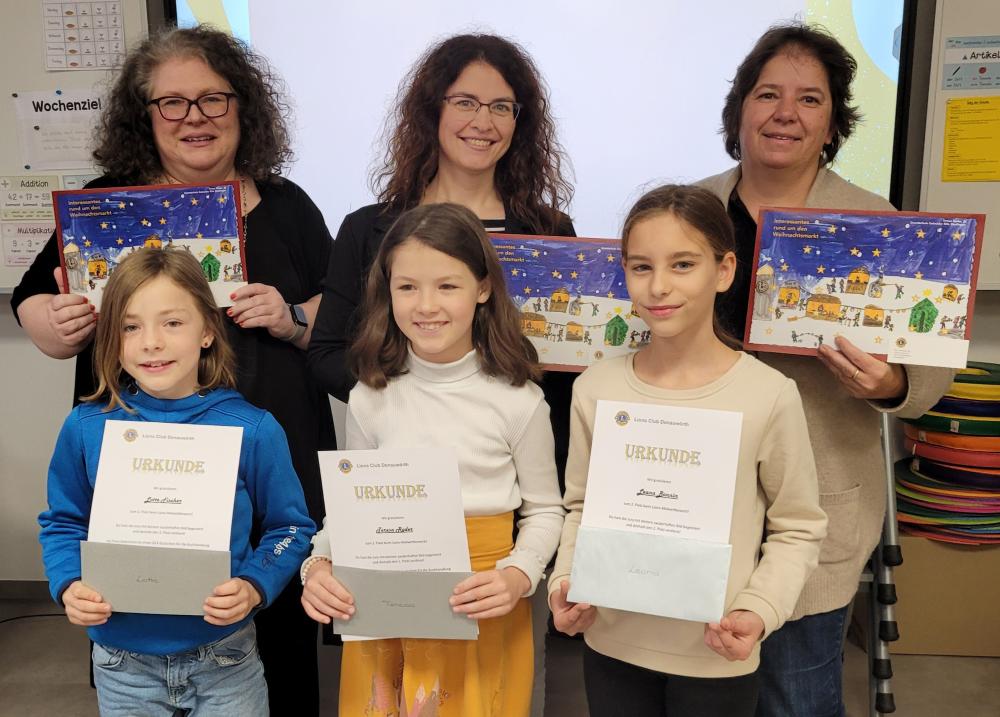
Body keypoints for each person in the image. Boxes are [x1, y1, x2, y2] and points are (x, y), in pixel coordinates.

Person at [10, 26, 334, 713]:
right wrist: (55, 321)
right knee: (140, 631)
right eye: (172, 102)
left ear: (243, 108)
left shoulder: (288, 204)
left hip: (266, 452)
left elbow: (341, 310)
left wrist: (290, 317)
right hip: (138, 458)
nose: (195, 117)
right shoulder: (105, 204)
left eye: (214, 99)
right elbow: (33, 298)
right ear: (144, 115)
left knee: (271, 631)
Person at [697, 23, 955, 717]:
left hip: (815, 501)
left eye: (809, 99)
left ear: (834, 123)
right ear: (739, 110)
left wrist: (891, 384)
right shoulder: (687, 209)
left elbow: (926, 365)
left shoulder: (875, 222)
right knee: (697, 688)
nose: (786, 113)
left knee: (796, 697)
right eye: (767, 94)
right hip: (693, 494)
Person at [548, 185, 828, 717]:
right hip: (611, 643)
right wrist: (566, 582)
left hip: (715, 652)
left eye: (682, 264)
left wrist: (759, 608)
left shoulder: (767, 394)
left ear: (723, 271)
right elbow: (581, 507)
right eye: (641, 266)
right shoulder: (596, 388)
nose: (658, 286)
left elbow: (798, 526)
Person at [301, 203, 565, 716]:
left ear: (482, 288)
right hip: (384, 607)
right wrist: (319, 564)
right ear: (387, 291)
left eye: (447, 286)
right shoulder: (369, 396)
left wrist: (519, 573)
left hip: (481, 603)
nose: (426, 305)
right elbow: (351, 512)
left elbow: (545, 510)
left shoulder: (519, 400)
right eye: (407, 287)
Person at [38, 247, 315, 716]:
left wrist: (254, 585)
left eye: (172, 322)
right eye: (130, 326)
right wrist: (69, 584)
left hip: (225, 658)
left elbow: (290, 527)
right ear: (112, 337)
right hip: (122, 663)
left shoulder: (252, 429)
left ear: (207, 330)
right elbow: (63, 522)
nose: (151, 342)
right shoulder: (85, 428)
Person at [306, 33, 577, 488]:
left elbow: (563, 367)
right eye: (465, 102)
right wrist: (421, 392)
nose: (483, 122)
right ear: (433, 110)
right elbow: (327, 356)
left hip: (514, 475)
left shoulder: (550, 232)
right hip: (404, 471)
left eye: (501, 107)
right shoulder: (367, 229)